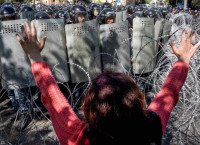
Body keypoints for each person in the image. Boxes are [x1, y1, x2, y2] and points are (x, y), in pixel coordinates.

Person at [16, 22, 200, 145]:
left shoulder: (77, 137)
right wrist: (183, 61)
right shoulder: (152, 127)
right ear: (138, 102)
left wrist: (35, 57)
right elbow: (169, 93)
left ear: (89, 108)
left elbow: (53, 99)